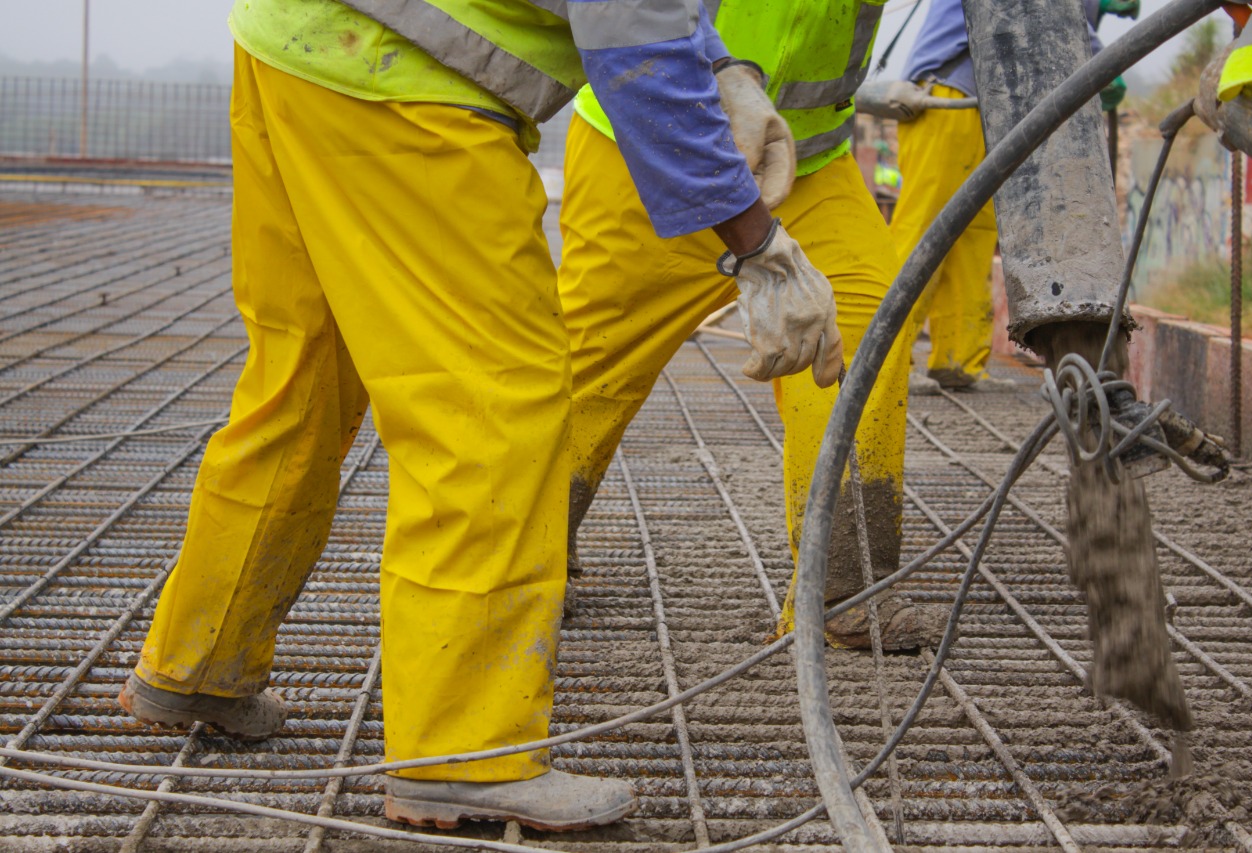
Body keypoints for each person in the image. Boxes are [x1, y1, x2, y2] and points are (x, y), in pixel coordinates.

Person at [115, 0, 843, 832]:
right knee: (494, 401)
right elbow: (628, 26)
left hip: (297, 43)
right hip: (404, 79)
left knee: (306, 373)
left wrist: (717, 67)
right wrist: (757, 246)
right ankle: (466, 752)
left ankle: (199, 659)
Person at [559, 0, 949, 652]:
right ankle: (530, 549)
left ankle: (842, 588)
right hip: (656, 135)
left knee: (868, 328)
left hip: (807, 161)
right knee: (591, 362)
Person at [891, 0, 1129, 395]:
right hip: (949, 99)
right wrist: (1101, 59)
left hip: (984, 103)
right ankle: (887, 362)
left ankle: (958, 361)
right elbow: (1048, 10)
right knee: (925, 233)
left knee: (974, 238)